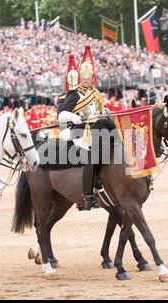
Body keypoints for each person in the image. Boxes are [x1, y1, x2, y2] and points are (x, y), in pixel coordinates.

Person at [58, 45, 105, 211]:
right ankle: (87, 196)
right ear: (79, 76)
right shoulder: (74, 93)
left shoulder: (95, 93)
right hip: (79, 131)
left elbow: (100, 111)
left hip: (96, 129)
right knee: (90, 154)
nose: (86, 78)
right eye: (83, 76)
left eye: (89, 76)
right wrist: (73, 117)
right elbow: (61, 115)